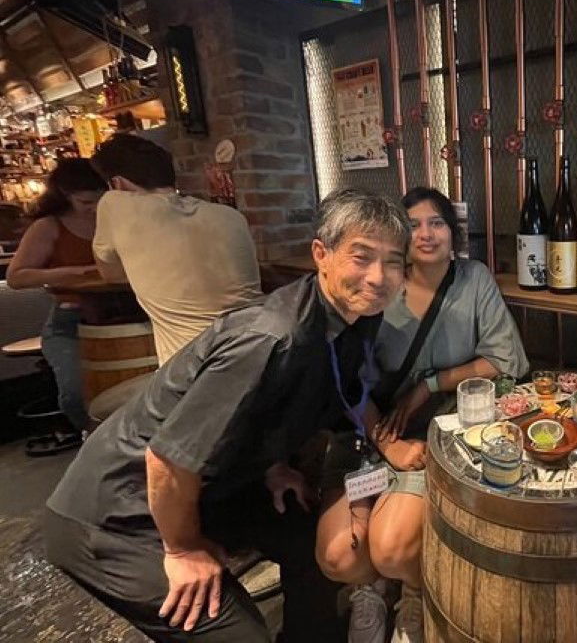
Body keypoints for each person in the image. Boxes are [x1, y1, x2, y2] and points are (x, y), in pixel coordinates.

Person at [44, 190, 410, 642]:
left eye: (393, 262)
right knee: (239, 633)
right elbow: (167, 459)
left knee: (308, 545)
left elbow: (279, 406)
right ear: (322, 254)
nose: (378, 276)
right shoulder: (272, 337)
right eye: (362, 256)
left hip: (210, 486)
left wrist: (273, 465)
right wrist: (182, 549)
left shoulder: (353, 318)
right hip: (118, 512)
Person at [315, 187, 528, 643]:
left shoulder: (473, 279)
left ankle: (413, 590)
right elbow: (344, 379)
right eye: (412, 225)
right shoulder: (379, 287)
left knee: (391, 548)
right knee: (340, 556)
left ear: (454, 233)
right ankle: (369, 590)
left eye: (438, 223)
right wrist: (385, 442)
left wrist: (429, 384)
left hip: (433, 432)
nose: (426, 234)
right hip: (370, 433)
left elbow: (506, 361)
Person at [90, 133, 262, 364]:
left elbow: (112, 274)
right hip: (261, 350)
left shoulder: (114, 204)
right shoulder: (230, 216)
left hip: (194, 374)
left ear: (116, 183)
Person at [7, 158, 107, 440]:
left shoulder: (114, 218)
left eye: (100, 199)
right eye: (86, 201)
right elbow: (16, 277)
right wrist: (78, 272)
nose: (94, 207)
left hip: (118, 315)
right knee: (75, 393)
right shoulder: (49, 226)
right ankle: (92, 440)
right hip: (70, 320)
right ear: (65, 194)